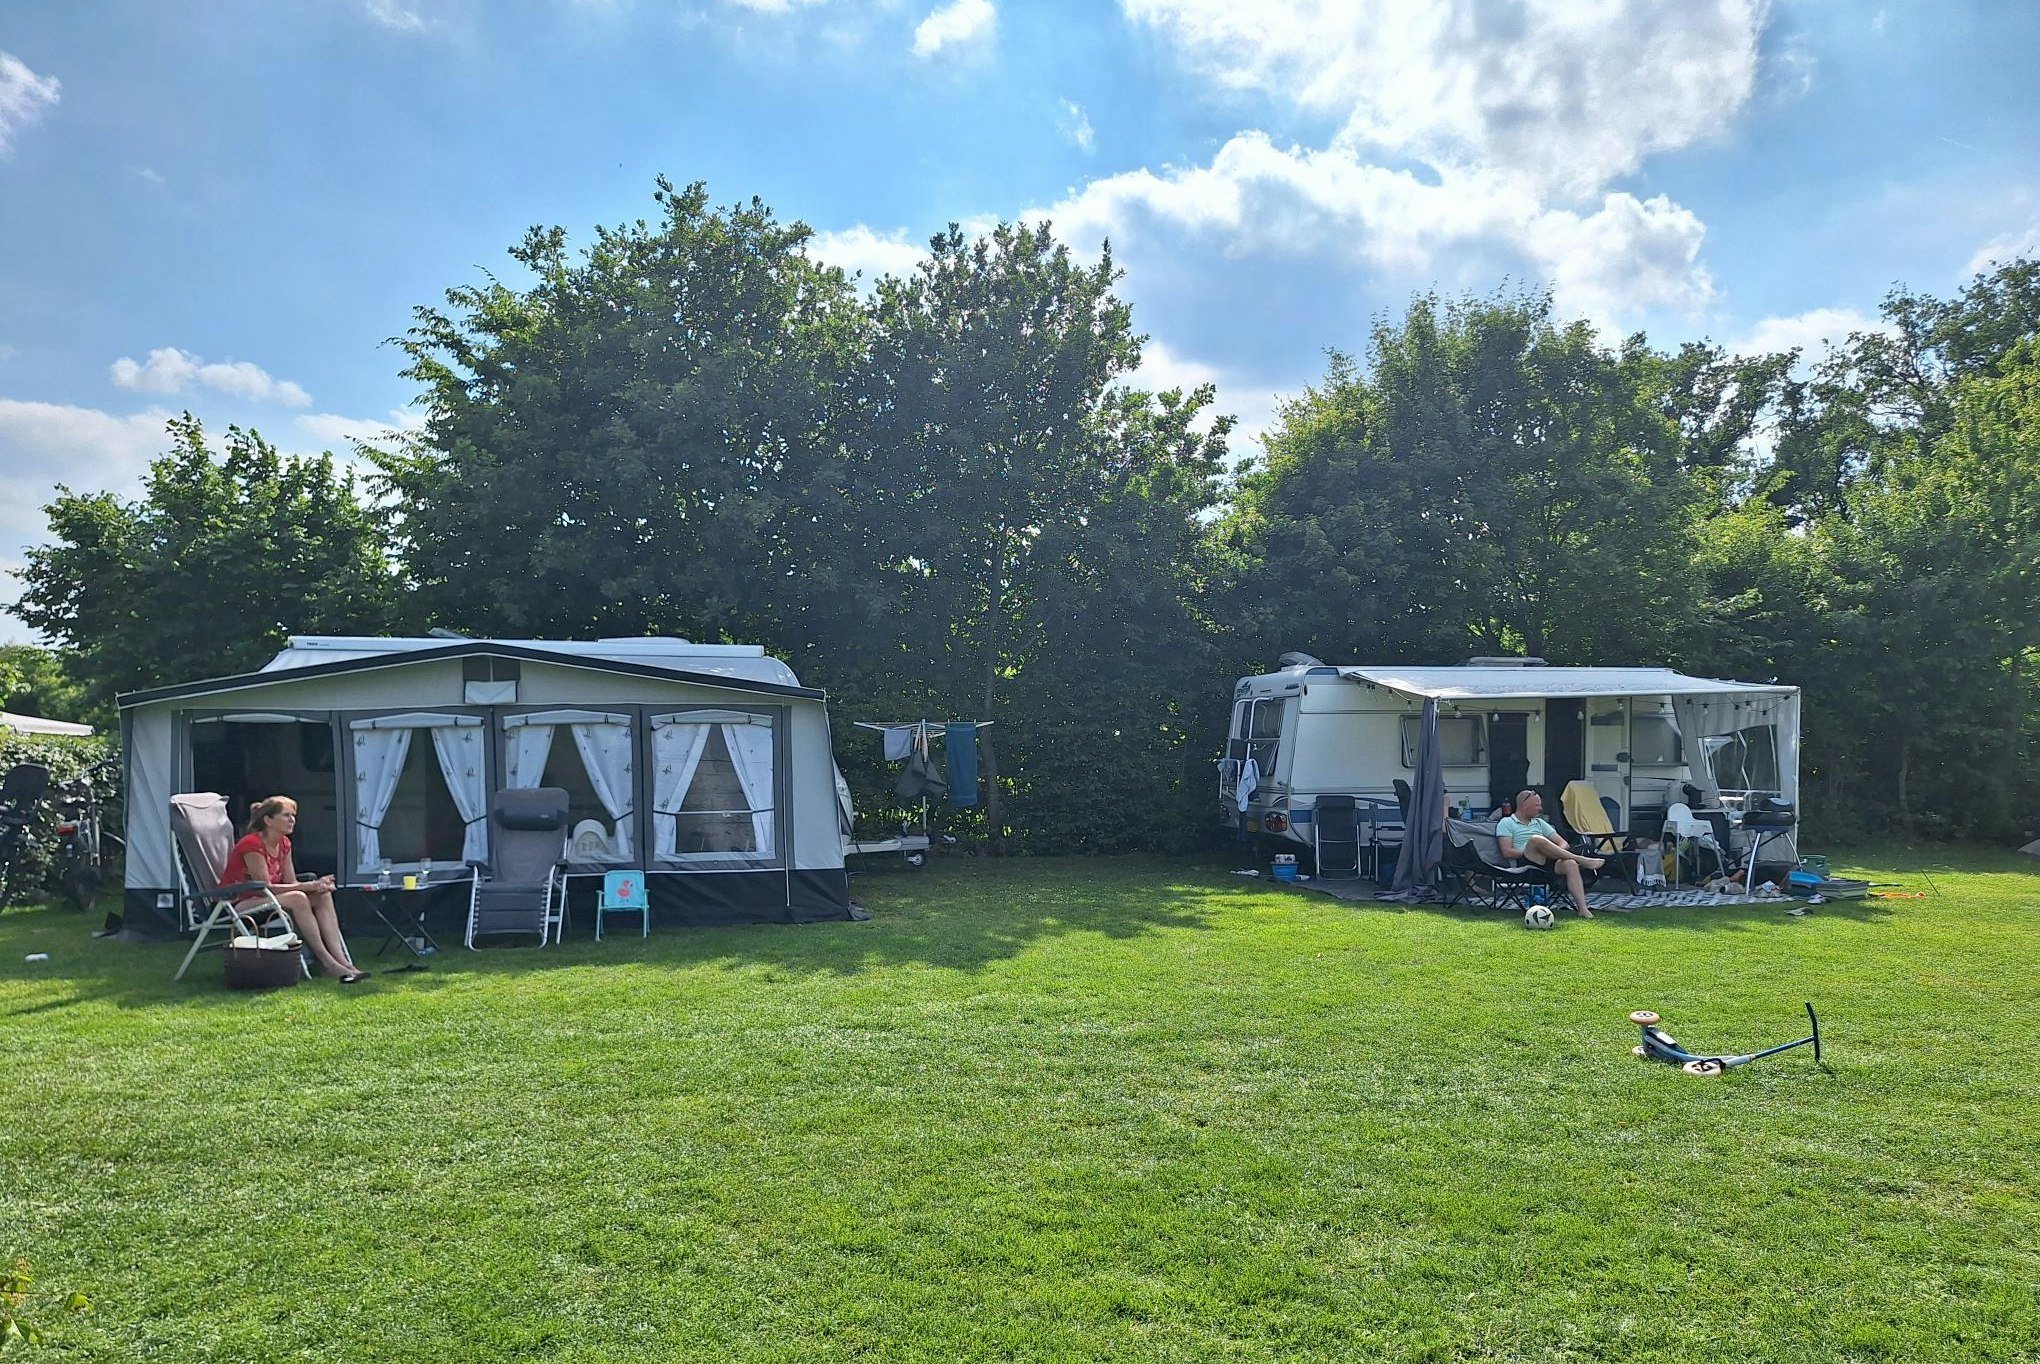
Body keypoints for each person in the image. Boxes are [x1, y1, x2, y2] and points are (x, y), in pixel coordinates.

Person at [227, 796, 369, 983]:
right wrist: (308, 886)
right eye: (286, 815)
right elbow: (264, 888)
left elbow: (290, 881)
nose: (292, 820)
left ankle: (342, 962)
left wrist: (317, 886)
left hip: (269, 900)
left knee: (322, 895)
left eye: (293, 815)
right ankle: (327, 963)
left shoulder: (284, 843)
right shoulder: (252, 844)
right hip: (239, 903)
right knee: (298, 898)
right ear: (268, 820)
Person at [1495, 788, 1603, 919]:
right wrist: (1535, 847)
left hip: (1549, 861)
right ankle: (1581, 859)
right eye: (1537, 805)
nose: (1540, 809)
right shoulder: (1506, 823)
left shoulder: (1540, 823)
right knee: (1536, 840)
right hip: (1527, 862)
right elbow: (1507, 852)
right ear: (1524, 805)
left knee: (1570, 863)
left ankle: (1582, 909)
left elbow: (1563, 843)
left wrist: (1552, 851)